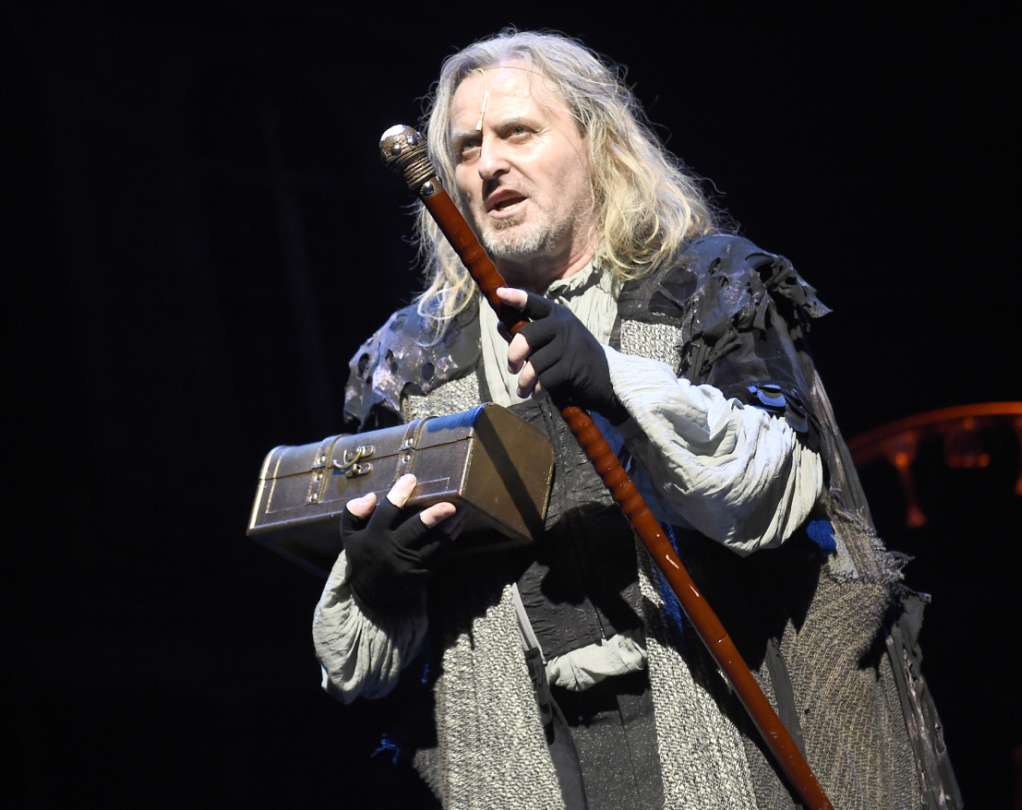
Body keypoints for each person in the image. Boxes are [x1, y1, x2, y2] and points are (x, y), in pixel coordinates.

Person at [312, 29, 960, 809]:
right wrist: (381, 580)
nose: (488, 165)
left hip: (742, 758)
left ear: (598, 144)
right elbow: (355, 668)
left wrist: (614, 378)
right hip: (534, 773)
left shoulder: (705, 287)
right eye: (467, 147)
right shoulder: (413, 362)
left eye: (518, 132)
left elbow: (770, 492)